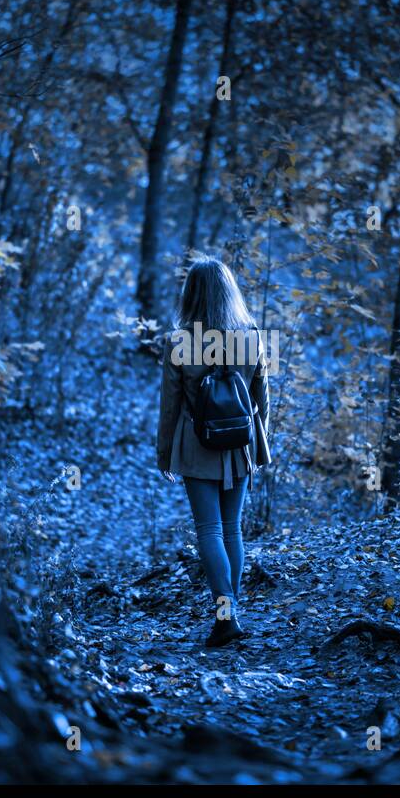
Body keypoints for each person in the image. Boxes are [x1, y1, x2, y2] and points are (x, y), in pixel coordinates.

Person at [156, 258, 271, 647]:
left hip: (196, 444)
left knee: (209, 530)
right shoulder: (252, 335)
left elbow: (170, 405)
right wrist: (260, 444)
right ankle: (229, 614)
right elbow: (261, 399)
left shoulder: (179, 341)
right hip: (240, 443)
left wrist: (164, 452)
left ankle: (228, 616)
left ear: (191, 294)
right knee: (232, 528)